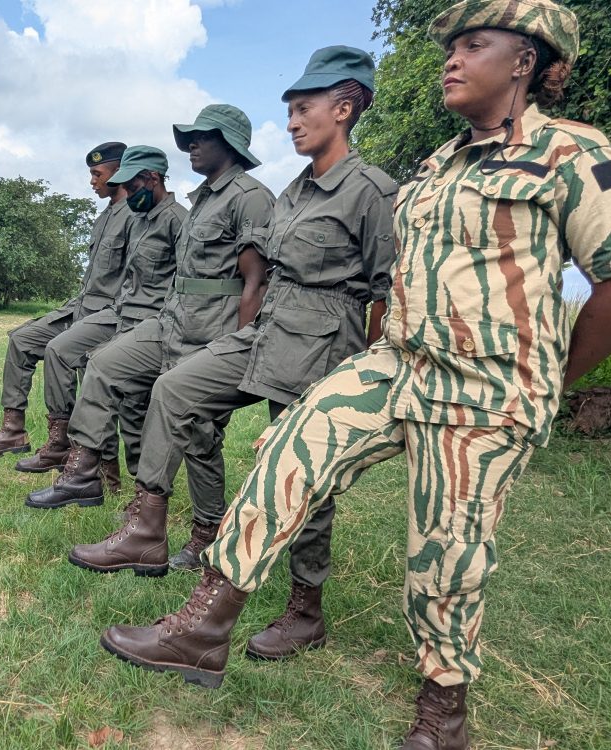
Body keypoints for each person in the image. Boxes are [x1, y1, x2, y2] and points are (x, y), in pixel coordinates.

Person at [97, 3, 611, 749]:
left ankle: (443, 712)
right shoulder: (438, 164)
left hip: (488, 388)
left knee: (445, 552)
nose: (451, 59)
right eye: (451, 45)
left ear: (525, 62)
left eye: (473, 44)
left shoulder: (577, 156)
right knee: (286, 450)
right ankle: (204, 625)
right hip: (399, 365)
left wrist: (545, 380)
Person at [63, 49, 397, 662]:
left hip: (323, 344)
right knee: (175, 388)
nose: (293, 122)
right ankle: (146, 529)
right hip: (267, 330)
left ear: (344, 110)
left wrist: (363, 369)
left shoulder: (371, 191)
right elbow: (264, 279)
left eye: (304, 109)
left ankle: (305, 609)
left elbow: (385, 290)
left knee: (303, 477)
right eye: (290, 111)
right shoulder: (295, 192)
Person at [25, 104, 276, 512]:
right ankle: (83, 474)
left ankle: (204, 530)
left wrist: (236, 351)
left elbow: (256, 282)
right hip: (171, 321)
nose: (191, 145)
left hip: (211, 331)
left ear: (227, 143)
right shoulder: (203, 201)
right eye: (190, 138)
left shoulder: (250, 198)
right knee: (104, 364)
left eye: (202, 137)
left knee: (199, 434)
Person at [17, 145, 187, 494]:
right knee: (104, 387)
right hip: (121, 316)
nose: (129, 193)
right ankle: (99, 476)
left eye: (134, 185)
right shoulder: (140, 220)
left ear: (152, 179)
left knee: (135, 410)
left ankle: (142, 496)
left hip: (151, 324)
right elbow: (126, 280)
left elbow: (181, 284)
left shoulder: (177, 221)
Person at [0, 142, 130, 463]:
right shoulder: (105, 216)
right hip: (80, 305)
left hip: (108, 314)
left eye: (97, 174)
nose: (92, 181)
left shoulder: (134, 217)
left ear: (119, 171)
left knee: (92, 386)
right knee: (22, 339)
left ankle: (93, 466)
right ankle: (14, 430)